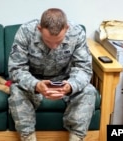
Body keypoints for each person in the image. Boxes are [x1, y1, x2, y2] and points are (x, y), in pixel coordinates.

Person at [8, 8, 96, 141]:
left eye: (58, 42)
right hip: (34, 83)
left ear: (66, 28)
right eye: (48, 41)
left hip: (66, 82)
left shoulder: (77, 33)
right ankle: (28, 138)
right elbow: (16, 69)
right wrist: (36, 85)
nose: (54, 46)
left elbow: (84, 68)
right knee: (16, 90)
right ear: (39, 28)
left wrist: (71, 86)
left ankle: (76, 138)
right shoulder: (26, 32)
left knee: (89, 91)